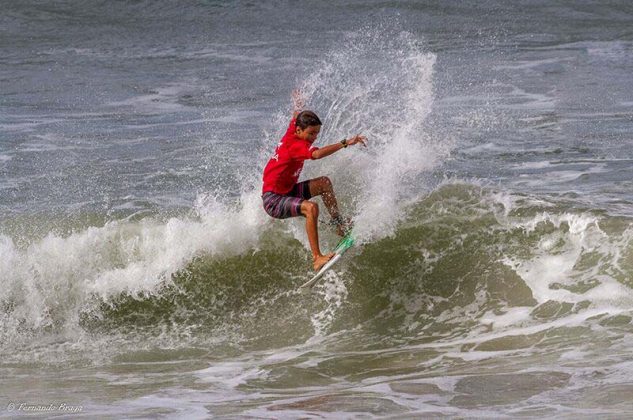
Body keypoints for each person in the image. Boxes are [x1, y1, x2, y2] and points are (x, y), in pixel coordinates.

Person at [262, 91, 367, 271]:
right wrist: (345, 143)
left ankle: (339, 225)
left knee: (324, 183)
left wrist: (298, 104)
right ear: (299, 131)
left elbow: (296, 116)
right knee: (311, 208)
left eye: (316, 133)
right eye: (311, 134)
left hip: (287, 190)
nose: (314, 138)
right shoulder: (295, 145)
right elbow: (316, 155)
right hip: (273, 200)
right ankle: (317, 258)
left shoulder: (293, 129)